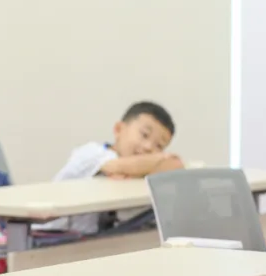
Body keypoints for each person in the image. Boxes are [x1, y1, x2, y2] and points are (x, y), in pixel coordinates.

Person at [37, 101, 182, 236]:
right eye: (144, 135)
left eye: (159, 146)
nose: (148, 147)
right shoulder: (92, 152)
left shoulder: (140, 169)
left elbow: (175, 166)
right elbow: (116, 167)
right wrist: (161, 160)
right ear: (119, 129)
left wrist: (162, 163)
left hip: (88, 241)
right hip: (48, 235)